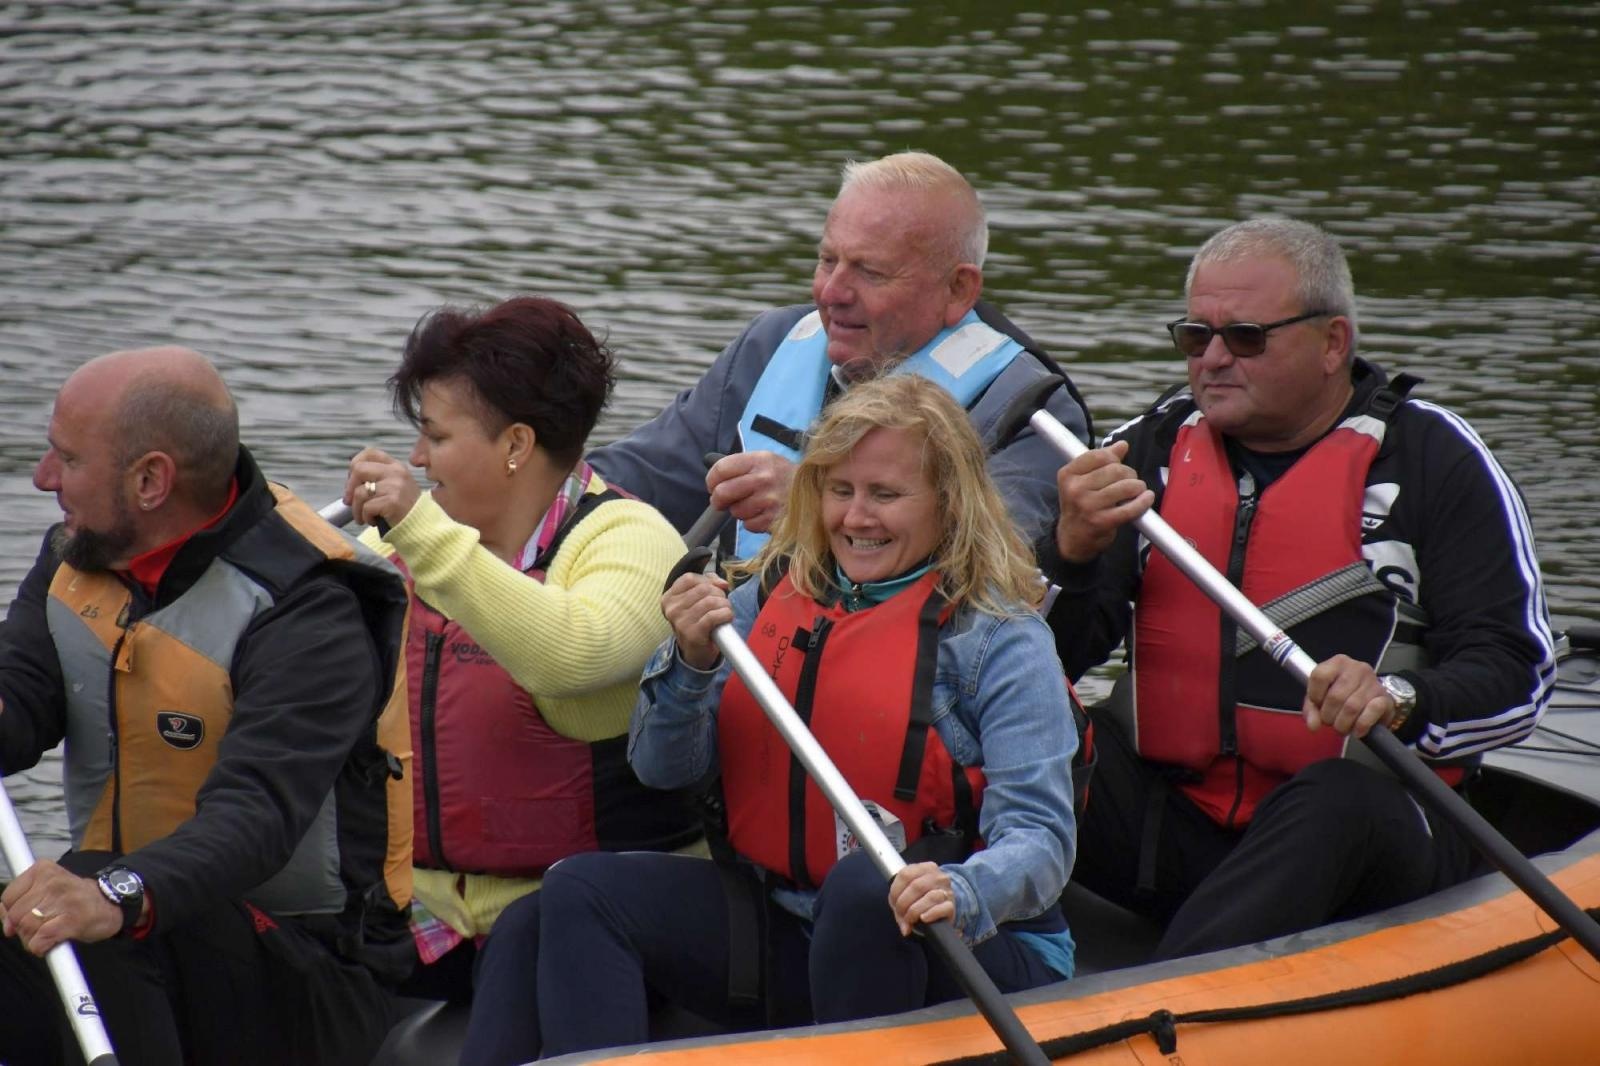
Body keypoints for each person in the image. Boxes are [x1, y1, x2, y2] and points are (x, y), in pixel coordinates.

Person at [462, 373, 1081, 1063]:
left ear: (949, 502)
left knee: (866, 890)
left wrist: (961, 889)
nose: (855, 518)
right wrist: (691, 664)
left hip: (965, 946)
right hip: (791, 924)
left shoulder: (998, 638)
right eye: (839, 491)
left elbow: (1042, 840)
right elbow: (662, 769)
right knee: (571, 894)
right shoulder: (769, 597)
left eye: (885, 495)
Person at [1043, 217, 1558, 961]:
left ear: (1332, 344)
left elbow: (1518, 674)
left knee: (1333, 802)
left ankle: (1167, 1002)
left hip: (1363, 834)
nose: (1213, 359)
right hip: (1171, 826)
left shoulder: (1435, 462)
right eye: (1196, 336)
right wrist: (1070, 554)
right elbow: (1046, 660)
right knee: (1022, 743)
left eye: (1246, 337)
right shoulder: (1142, 453)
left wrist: (1399, 699)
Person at [0, 347, 415, 1066]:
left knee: (99, 917)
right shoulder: (82, 554)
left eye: (66, 460)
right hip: (144, 916)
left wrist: (113, 896)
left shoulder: (310, 613)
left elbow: (254, 817)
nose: (43, 480)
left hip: (309, 970)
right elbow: (20, 699)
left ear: (152, 480)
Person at [343, 295, 702, 1003]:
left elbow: (574, 653)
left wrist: (416, 529)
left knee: (533, 937)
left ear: (515, 445)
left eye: (436, 438)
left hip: (585, 920)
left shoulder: (631, 539)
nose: (418, 460)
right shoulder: (395, 550)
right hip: (422, 916)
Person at [588, 149, 1092, 556]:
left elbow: (992, 572)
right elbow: (637, 480)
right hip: (735, 656)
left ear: (958, 290)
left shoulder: (1032, 411)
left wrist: (811, 507)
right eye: (828, 260)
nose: (832, 292)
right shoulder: (771, 345)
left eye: (870, 273)